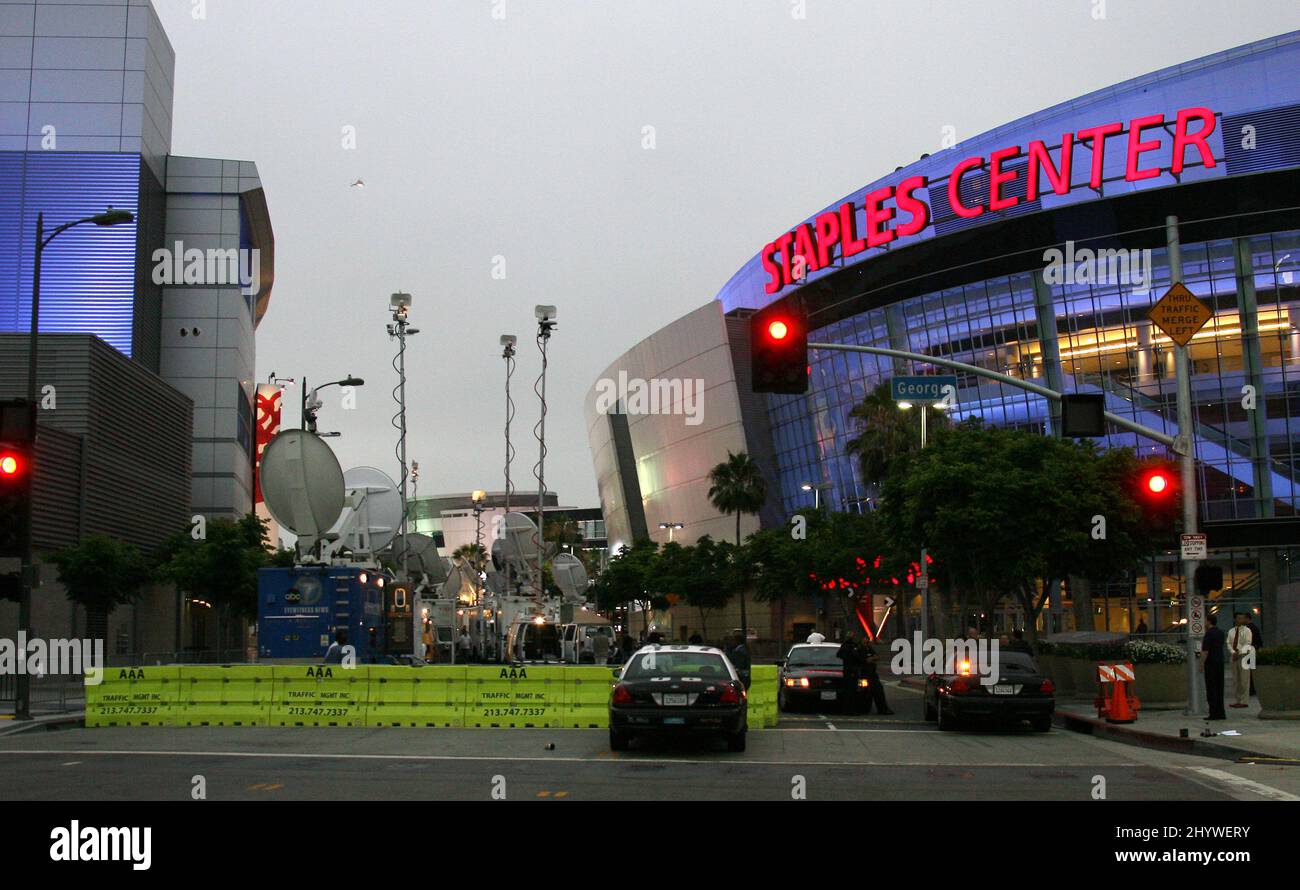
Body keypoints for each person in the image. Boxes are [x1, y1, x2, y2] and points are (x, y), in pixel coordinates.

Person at [1199, 614, 1227, 720]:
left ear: (1209, 621)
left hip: (1210, 663)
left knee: (1211, 688)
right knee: (1219, 688)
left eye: (1205, 621)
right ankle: (1221, 712)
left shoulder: (1208, 634)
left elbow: (1205, 651)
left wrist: (1201, 664)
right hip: (1219, 661)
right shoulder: (1220, 633)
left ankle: (1213, 713)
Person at [858, 638, 894, 715]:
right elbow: (865, 660)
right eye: (865, 641)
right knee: (864, 692)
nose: (867, 643)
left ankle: (882, 709)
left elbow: (877, 657)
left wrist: (872, 658)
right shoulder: (859, 650)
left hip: (872, 674)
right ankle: (863, 709)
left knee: (878, 690)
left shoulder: (870, 649)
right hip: (863, 675)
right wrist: (870, 659)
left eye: (868, 641)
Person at [1227, 612, 1255, 709]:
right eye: (1238, 618)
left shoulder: (1247, 631)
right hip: (1234, 656)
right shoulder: (1231, 631)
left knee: (1244, 679)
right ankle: (1237, 699)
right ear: (1235, 619)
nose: (1240, 620)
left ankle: (1244, 700)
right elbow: (1229, 643)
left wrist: (1237, 653)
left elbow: (1248, 643)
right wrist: (1232, 652)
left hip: (1244, 656)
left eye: (1242, 618)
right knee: (1236, 679)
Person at [836, 634, 862, 713]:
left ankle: (847, 708)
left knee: (848, 690)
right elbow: (858, 657)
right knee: (852, 690)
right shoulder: (852, 646)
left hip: (847, 669)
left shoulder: (844, 645)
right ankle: (851, 709)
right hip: (851, 670)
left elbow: (839, 655)